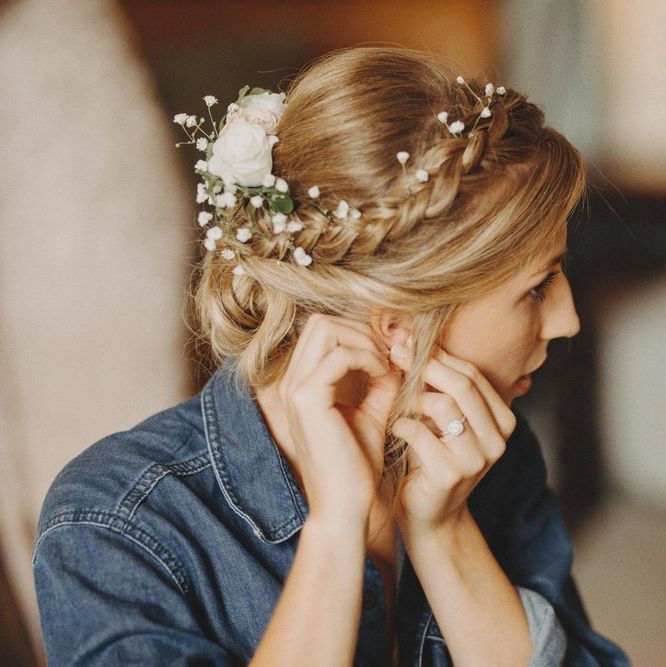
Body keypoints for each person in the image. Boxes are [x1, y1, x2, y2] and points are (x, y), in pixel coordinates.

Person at [33, 47, 629, 666]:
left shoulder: (483, 455)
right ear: (397, 323)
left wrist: (445, 534)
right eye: (537, 286)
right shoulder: (116, 522)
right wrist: (335, 530)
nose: (567, 321)